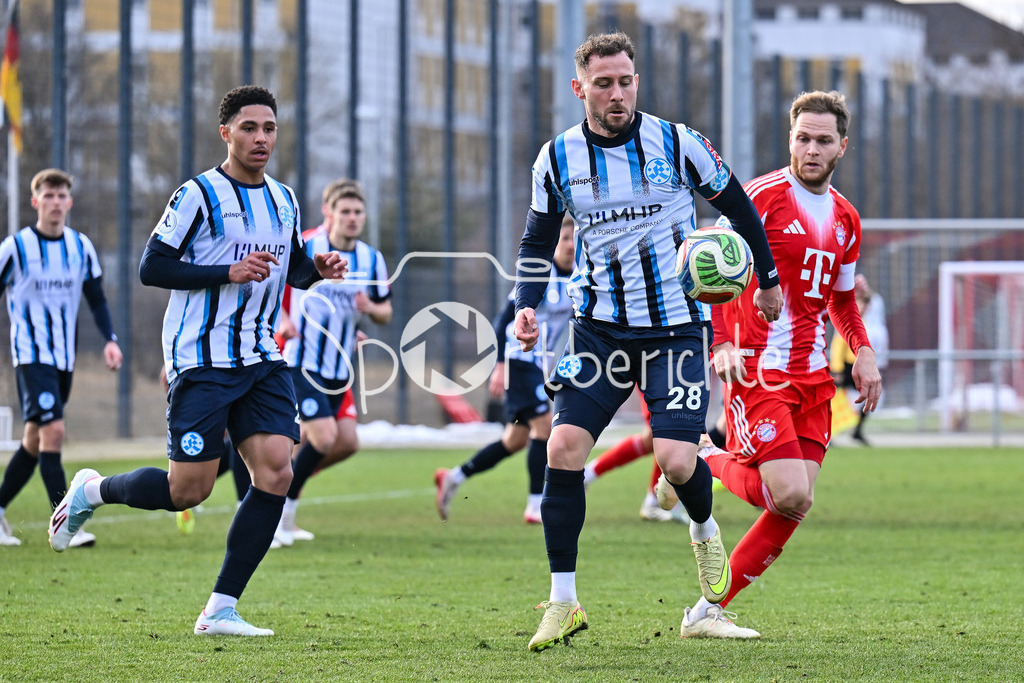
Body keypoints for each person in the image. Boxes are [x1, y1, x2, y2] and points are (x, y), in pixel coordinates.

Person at [513, 32, 783, 652]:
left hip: (676, 332)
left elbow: (739, 206)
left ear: (638, 80)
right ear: (580, 88)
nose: (616, 93)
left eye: (625, 80)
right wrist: (525, 306)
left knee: (680, 461)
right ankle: (563, 602)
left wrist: (767, 281)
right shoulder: (555, 159)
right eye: (603, 83)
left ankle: (703, 524)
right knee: (562, 448)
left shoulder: (677, 142)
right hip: (599, 330)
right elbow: (534, 243)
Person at [47, 85, 348, 637]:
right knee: (189, 490)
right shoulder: (199, 196)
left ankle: (220, 609)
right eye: (250, 128)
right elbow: (151, 267)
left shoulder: (284, 199)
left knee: (276, 472)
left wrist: (317, 267)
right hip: (202, 359)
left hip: (261, 356)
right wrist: (224, 272)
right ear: (226, 132)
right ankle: (91, 490)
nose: (261, 138)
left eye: (270, 128)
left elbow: (289, 268)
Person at [659, 90, 881, 639]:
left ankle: (706, 612)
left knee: (794, 503)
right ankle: (705, 459)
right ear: (791, 139)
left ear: (841, 147)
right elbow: (704, 274)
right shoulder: (758, 199)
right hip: (756, 369)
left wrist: (864, 352)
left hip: (810, 378)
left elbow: (843, 301)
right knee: (789, 492)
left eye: (822, 140)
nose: (810, 149)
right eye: (802, 138)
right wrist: (721, 344)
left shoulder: (847, 219)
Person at [0, 169, 123, 548]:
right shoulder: (15, 247)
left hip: (64, 359)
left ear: (69, 202)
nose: (55, 202)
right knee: (54, 432)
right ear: (35, 201)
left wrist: (110, 339)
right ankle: (65, 522)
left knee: (35, 441)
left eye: (61, 196)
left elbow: (97, 298)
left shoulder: (80, 247)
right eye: (48, 196)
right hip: (31, 355)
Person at [271, 178, 392, 547]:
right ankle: (279, 512)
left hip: (341, 369)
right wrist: (281, 319)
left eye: (358, 212)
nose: (353, 218)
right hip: (301, 361)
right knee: (322, 438)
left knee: (346, 442)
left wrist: (369, 308)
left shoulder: (371, 259)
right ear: (329, 213)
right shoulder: (306, 246)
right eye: (345, 211)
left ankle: (277, 487)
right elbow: (272, 284)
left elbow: (385, 310)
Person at [434, 216, 575, 525]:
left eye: (576, 239)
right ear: (553, 244)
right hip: (518, 361)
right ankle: (535, 505)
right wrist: (498, 365)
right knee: (545, 428)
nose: (571, 245)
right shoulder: (540, 276)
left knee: (515, 440)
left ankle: (454, 477)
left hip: (537, 366)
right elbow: (501, 321)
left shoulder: (578, 279)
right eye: (564, 239)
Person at [582, 392, 690, 523]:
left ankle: (587, 474)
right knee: (665, 432)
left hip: (668, 375)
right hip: (660, 375)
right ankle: (656, 501)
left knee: (653, 438)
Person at [830, 274, 888, 445]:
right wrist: (838, 370)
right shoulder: (848, 319)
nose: (866, 308)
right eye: (863, 303)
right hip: (847, 366)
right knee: (829, 398)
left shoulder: (864, 322)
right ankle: (828, 433)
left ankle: (857, 430)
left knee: (871, 392)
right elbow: (837, 346)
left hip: (857, 365)